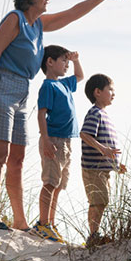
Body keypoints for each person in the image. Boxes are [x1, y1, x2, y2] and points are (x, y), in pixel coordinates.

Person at [0, 0, 130, 231]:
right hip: (1, 86)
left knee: (18, 158)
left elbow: (73, 13)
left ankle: (20, 222)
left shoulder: (39, 24)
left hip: (22, 89)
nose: (48, 0)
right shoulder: (15, 19)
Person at [34, 45, 83, 243]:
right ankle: (43, 224)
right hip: (53, 140)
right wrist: (45, 139)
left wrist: (76, 59)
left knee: (59, 185)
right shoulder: (48, 86)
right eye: (64, 61)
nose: (67, 65)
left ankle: (51, 224)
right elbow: (41, 114)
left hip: (66, 141)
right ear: (50, 62)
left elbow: (79, 76)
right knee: (50, 182)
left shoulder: (64, 84)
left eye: (68, 62)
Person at [80, 73, 126, 247]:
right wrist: (103, 149)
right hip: (93, 168)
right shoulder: (95, 113)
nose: (113, 93)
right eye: (110, 89)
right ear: (97, 92)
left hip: (104, 169)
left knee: (102, 200)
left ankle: (95, 233)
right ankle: (93, 235)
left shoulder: (104, 115)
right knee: (98, 200)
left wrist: (116, 165)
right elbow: (85, 134)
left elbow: (107, 145)